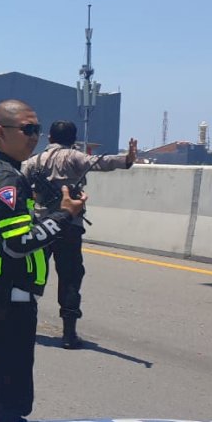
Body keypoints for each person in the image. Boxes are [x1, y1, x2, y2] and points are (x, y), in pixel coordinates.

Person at [0, 100, 86, 422]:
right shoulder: (7, 181)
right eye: (27, 129)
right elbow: (18, 244)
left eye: (37, 130)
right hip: (8, 298)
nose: (34, 137)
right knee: (9, 396)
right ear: (1, 132)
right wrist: (64, 215)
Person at [21, 121, 138, 349]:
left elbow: (18, 182)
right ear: (72, 138)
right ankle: (69, 334)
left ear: (50, 137)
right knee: (71, 278)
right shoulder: (74, 157)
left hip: (40, 226)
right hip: (69, 226)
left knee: (33, 277)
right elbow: (101, 163)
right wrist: (127, 158)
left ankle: (24, 325)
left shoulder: (32, 162)